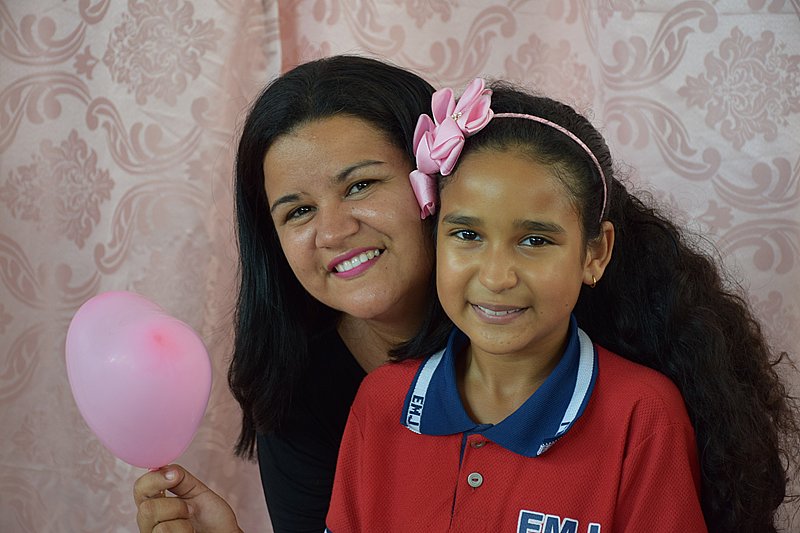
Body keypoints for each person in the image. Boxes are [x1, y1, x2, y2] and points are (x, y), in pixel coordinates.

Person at [325, 80, 800, 532]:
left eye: (535, 240)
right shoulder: (382, 401)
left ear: (595, 254)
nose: (496, 276)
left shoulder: (642, 415)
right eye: (467, 234)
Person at [133, 55, 437, 533]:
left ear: (435, 178)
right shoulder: (294, 388)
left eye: (360, 185)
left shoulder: (533, 330)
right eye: (298, 212)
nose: (333, 232)